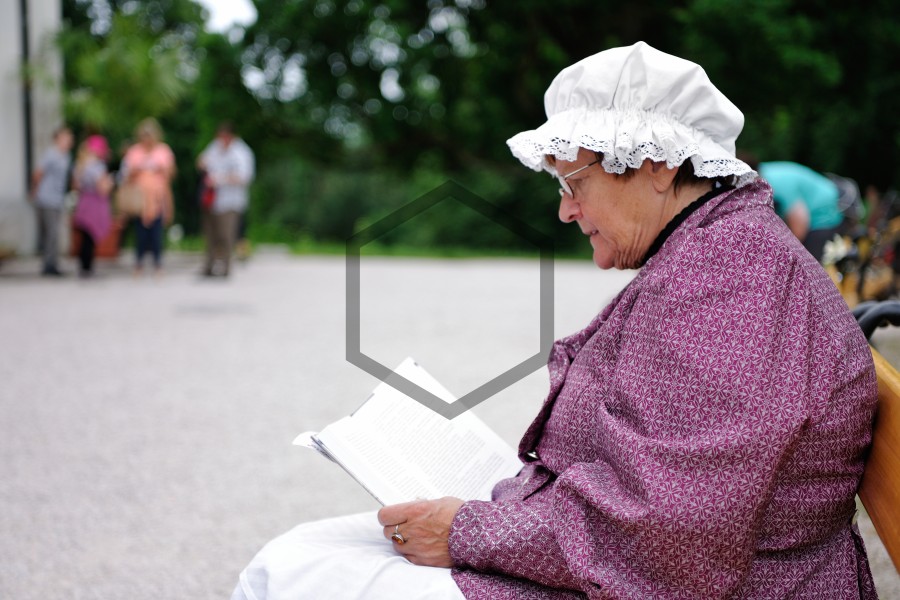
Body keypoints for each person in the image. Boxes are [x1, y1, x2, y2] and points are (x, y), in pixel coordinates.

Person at [232, 42, 878, 599]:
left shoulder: (729, 283)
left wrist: (466, 529)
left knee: (294, 572)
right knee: (307, 553)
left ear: (656, 166)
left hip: (717, 583)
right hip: (669, 566)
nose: (565, 210)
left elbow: (671, 540)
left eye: (573, 183)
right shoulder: (719, 254)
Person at [196, 122, 255, 277]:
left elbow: (244, 177)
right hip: (212, 200)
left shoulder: (241, 152)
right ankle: (209, 266)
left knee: (226, 235)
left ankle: (226, 268)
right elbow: (201, 161)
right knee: (210, 235)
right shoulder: (215, 147)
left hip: (231, 202)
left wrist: (220, 179)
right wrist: (203, 164)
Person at [755, 160, 844, 261]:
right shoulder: (758, 174)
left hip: (822, 213)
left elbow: (799, 227)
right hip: (810, 209)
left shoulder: (774, 185)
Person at [122, 118, 176, 277]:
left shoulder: (163, 150)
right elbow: (126, 174)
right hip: (139, 199)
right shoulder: (134, 151)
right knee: (140, 233)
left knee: (156, 233)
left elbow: (171, 173)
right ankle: (138, 263)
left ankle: (158, 263)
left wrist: (160, 169)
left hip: (158, 198)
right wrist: (138, 169)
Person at [30, 126, 74, 276]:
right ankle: (49, 265)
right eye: (65, 138)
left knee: (53, 234)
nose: (69, 141)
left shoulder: (66, 156)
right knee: (51, 233)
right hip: (46, 198)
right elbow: (38, 173)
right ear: (57, 139)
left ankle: (51, 263)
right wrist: (35, 191)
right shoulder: (51, 154)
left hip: (57, 199)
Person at [71, 135, 114, 278]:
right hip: (95, 205)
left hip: (84, 202)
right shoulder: (97, 166)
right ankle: (88, 268)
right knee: (90, 238)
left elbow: (75, 186)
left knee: (85, 238)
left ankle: (83, 267)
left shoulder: (80, 164)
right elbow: (103, 188)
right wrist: (110, 182)